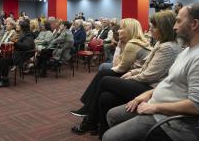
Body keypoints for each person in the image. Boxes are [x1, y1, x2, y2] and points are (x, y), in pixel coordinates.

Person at [103, 3, 199, 141]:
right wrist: (147, 94)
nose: (174, 27)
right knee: (112, 115)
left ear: (194, 24)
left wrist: (155, 108)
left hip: (173, 124)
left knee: (109, 137)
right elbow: (170, 80)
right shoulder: (190, 49)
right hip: (158, 107)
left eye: (178, 21)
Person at [71, 10, 181, 138]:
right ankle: (101, 131)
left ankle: (89, 118)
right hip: (145, 82)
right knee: (106, 96)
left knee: (105, 78)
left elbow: (149, 75)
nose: (150, 29)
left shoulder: (167, 47)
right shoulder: (160, 43)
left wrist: (131, 76)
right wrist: (132, 71)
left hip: (151, 88)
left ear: (163, 28)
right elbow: (144, 67)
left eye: (154, 26)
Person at [71, 18, 151, 117]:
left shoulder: (133, 44)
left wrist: (118, 46)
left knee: (104, 73)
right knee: (105, 74)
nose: (118, 31)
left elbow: (119, 67)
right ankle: (89, 108)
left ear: (129, 30)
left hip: (139, 79)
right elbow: (116, 64)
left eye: (121, 28)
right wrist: (119, 45)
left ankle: (88, 107)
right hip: (133, 74)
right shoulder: (130, 42)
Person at [0, 20, 35, 87]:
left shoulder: (29, 36)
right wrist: (13, 43)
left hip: (21, 56)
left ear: (22, 27)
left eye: (18, 25)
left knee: (3, 60)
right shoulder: (21, 34)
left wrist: (14, 43)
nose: (16, 26)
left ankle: (5, 81)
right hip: (15, 54)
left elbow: (26, 47)